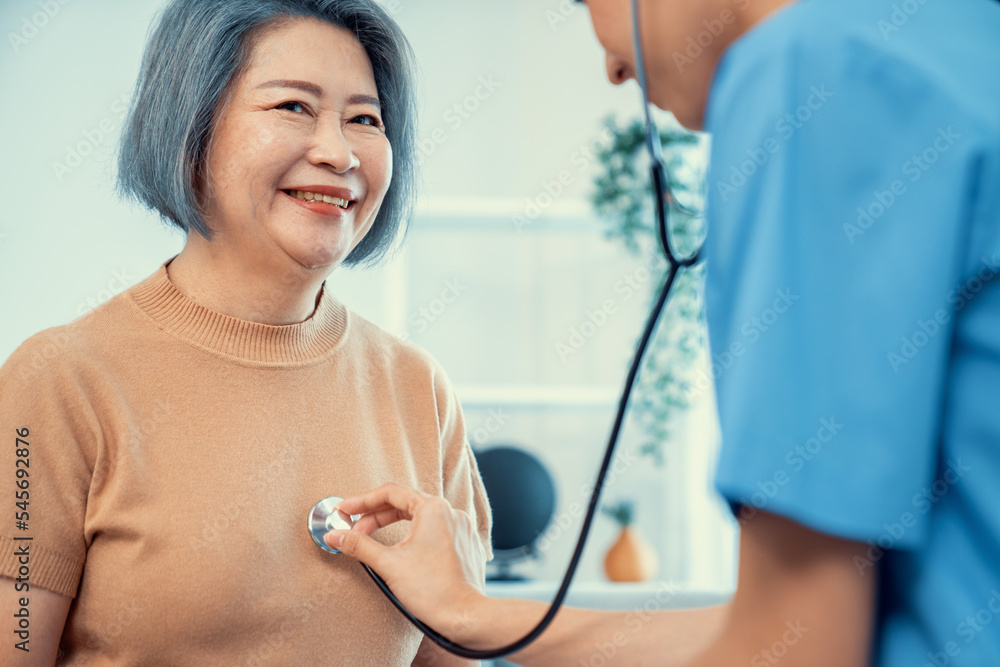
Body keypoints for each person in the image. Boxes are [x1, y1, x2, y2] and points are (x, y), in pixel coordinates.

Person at [325, 0, 1000, 665]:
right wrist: (475, 613)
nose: (615, 69)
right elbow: (793, 622)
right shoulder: (953, 35)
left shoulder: (814, 68)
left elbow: (796, 647)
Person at [0, 1, 492, 665]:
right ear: (189, 129)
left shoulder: (418, 388)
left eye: (364, 119)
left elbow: (455, 649)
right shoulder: (57, 380)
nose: (338, 152)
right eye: (293, 106)